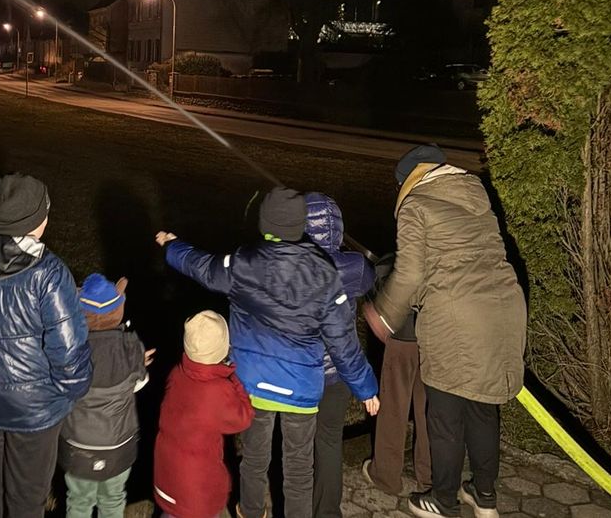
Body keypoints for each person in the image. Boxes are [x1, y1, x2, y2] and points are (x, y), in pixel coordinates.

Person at [156, 186, 379, 518]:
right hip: (301, 391)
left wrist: (172, 246)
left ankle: (250, 510)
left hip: (254, 387)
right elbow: (342, 342)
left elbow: (201, 265)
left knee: (255, 460)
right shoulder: (324, 274)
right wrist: (366, 389)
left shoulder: (244, 261)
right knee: (299, 471)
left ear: (265, 224)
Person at [362, 145, 526, 518]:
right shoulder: (476, 193)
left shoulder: (415, 205)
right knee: (483, 411)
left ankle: (442, 499)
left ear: (408, 181)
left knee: (445, 414)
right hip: (504, 307)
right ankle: (484, 496)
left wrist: (384, 314)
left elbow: (412, 273)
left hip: (456, 320)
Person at [0, 173, 92, 518]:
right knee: (26, 499)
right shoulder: (49, 274)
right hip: (35, 412)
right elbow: (70, 353)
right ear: (36, 221)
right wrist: (69, 392)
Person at [302, 193, 379, 518]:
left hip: (300, 374)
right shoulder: (355, 267)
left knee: (295, 444)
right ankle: (327, 511)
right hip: (337, 374)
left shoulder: (290, 266)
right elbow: (370, 278)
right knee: (329, 442)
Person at [59, 274, 153, 518]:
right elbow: (140, 383)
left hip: (77, 446)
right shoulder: (131, 347)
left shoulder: (68, 348)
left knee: (79, 502)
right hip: (118, 447)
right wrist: (138, 365)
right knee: (112, 500)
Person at [153, 310, 255, 518]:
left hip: (166, 477)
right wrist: (235, 380)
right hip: (197, 490)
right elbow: (243, 417)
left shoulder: (177, 373)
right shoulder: (216, 390)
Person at [361, 253, 431, 497]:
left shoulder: (413, 228)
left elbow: (405, 273)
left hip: (403, 332)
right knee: (429, 408)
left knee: (393, 407)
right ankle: (430, 477)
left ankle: (386, 476)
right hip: (435, 331)